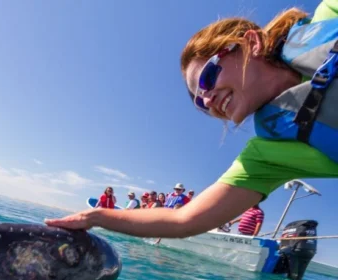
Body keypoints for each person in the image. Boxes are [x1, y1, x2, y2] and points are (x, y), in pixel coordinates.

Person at [45, 0, 338, 238]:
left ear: (252, 44)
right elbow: (183, 220)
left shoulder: (328, 17)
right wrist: (97, 216)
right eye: (200, 101)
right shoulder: (265, 157)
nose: (208, 99)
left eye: (209, 77)